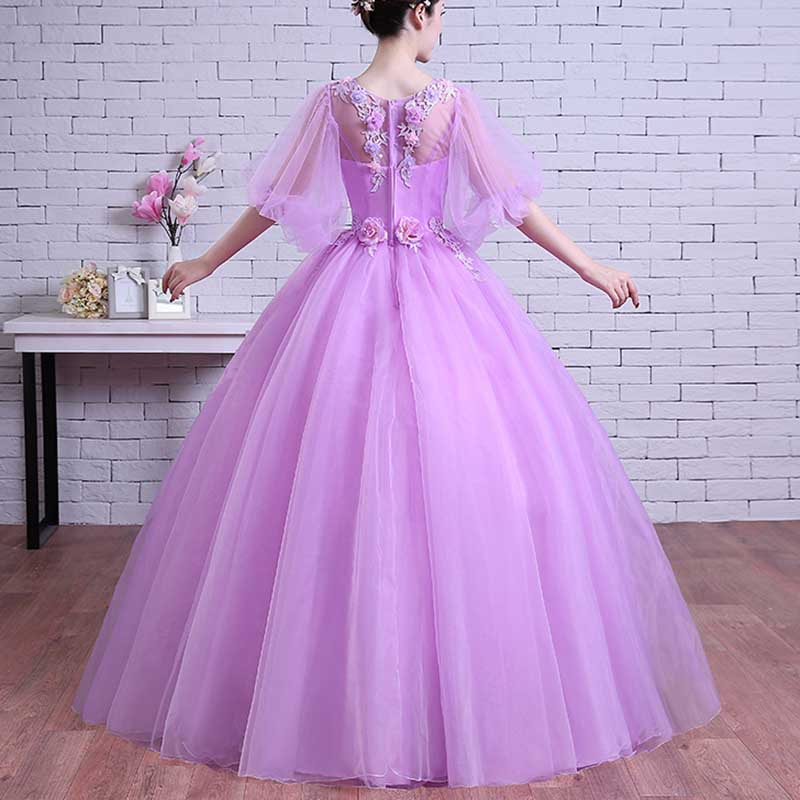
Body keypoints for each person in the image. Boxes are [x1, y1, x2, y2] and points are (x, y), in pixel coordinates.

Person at [71, 0, 721, 790]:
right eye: (441, 12)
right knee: (457, 467)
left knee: (331, 472)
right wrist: (590, 267)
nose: (443, 26)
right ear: (417, 12)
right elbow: (513, 204)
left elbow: (275, 203)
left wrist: (206, 262)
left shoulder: (334, 102)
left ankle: (329, 682)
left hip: (346, 290)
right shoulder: (450, 101)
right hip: (443, 291)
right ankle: (450, 688)